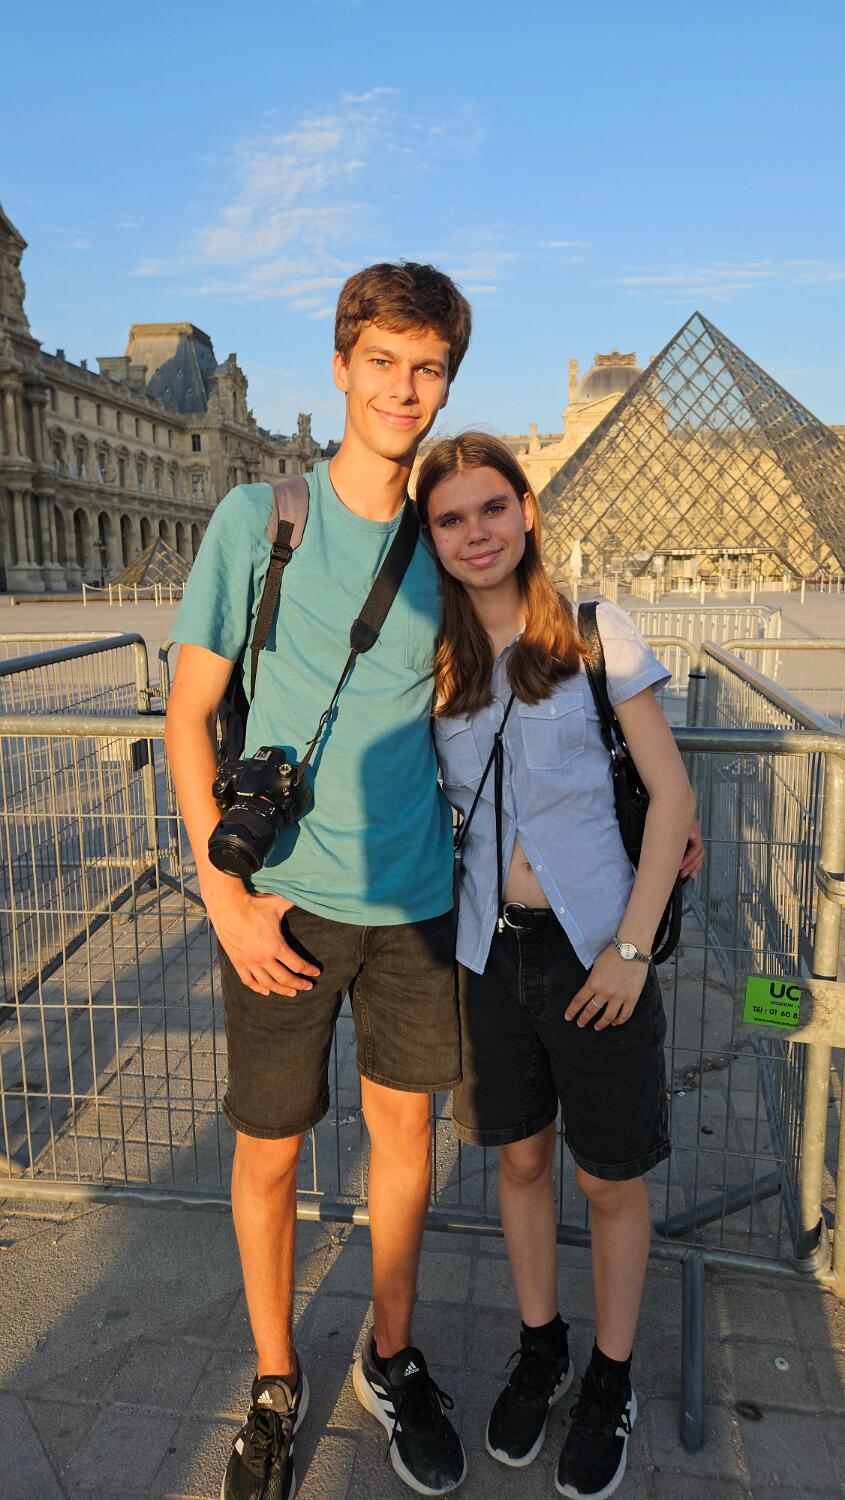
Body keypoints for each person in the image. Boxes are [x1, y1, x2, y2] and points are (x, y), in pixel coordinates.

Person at [164, 263, 473, 1500]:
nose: (403, 388)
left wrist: (655, 790)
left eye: (427, 368)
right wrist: (223, 898)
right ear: (341, 367)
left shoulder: (447, 535)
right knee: (269, 1152)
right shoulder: (261, 518)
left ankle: (389, 1357)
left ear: (446, 383)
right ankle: (274, 1379)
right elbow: (188, 717)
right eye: (382, 362)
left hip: (412, 899)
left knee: (404, 1140)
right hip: (280, 900)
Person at [415, 432, 700, 1500]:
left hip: (593, 948)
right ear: (432, 538)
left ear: (526, 510)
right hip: (487, 951)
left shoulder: (591, 632)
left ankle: (611, 1376)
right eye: (450, 519)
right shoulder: (430, 657)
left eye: (490, 508)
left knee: (607, 1175)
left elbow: (669, 794)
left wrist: (630, 950)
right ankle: (542, 1347)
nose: (475, 533)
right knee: (522, 1163)